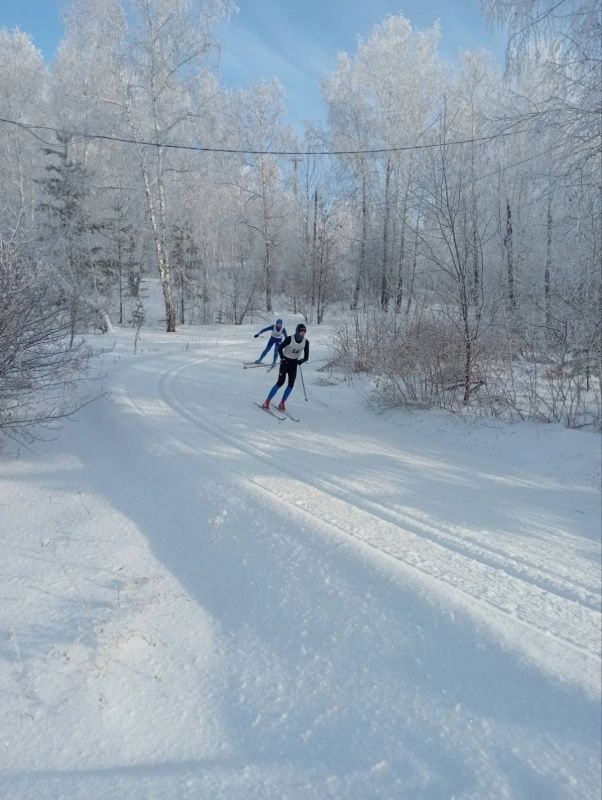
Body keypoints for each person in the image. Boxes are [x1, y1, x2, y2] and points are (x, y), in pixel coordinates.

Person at [262, 323, 309, 411]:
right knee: (280, 382)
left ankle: (282, 402)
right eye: (301, 331)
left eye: (304, 331)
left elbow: (306, 357)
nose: (302, 333)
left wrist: (300, 361)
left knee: (291, 385)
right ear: (297, 331)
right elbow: (280, 348)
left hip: (294, 364)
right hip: (285, 362)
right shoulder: (289, 339)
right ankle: (267, 401)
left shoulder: (306, 342)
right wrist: (282, 358)